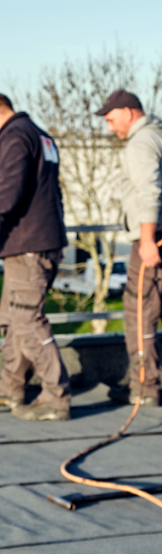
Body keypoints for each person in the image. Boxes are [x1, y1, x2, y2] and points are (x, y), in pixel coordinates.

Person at [0, 93, 71, 420]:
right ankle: (10, 387)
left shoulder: (13, 136)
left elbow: (8, 189)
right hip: (39, 242)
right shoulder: (40, 135)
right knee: (12, 319)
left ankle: (56, 398)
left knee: (28, 320)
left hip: (28, 245)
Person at [96, 89, 162, 407]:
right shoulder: (157, 134)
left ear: (128, 112)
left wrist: (147, 239)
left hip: (150, 238)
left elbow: (150, 192)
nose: (110, 127)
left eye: (111, 119)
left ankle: (145, 386)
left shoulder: (141, 143)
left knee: (140, 310)